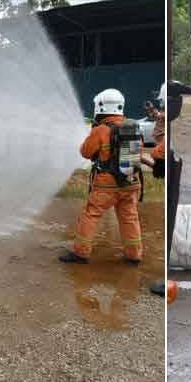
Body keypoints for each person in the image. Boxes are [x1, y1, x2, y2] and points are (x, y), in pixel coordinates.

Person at [60, 88, 144, 265]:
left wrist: (93, 133)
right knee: (129, 217)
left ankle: (80, 253)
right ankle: (133, 255)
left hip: (107, 186)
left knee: (90, 214)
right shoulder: (133, 127)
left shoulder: (101, 130)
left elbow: (85, 152)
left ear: (100, 107)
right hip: (130, 184)